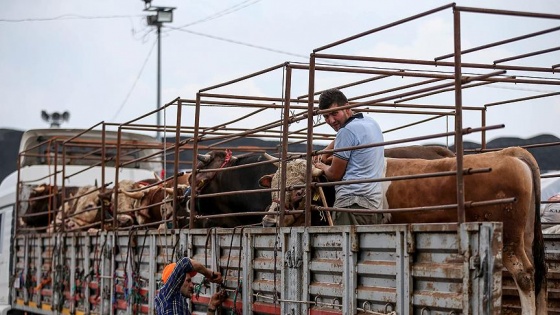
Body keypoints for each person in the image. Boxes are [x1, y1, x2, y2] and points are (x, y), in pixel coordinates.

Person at [312, 88, 385, 225]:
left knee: (344, 246)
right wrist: (325, 151)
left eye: (334, 113)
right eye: (326, 117)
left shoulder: (346, 132)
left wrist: (323, 166)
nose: (331, 120)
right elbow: (346, 136)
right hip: (374, 206)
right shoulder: (369, 122)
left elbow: (334, 175)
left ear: (346, 107)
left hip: (351, 206)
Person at [155, 257, 226, 315]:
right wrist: (210, 275)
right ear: (177, 281)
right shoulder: (167, 295)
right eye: (188, 281)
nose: (192, 285)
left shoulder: (178, 303)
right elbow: (184, 262)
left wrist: (211, 307)